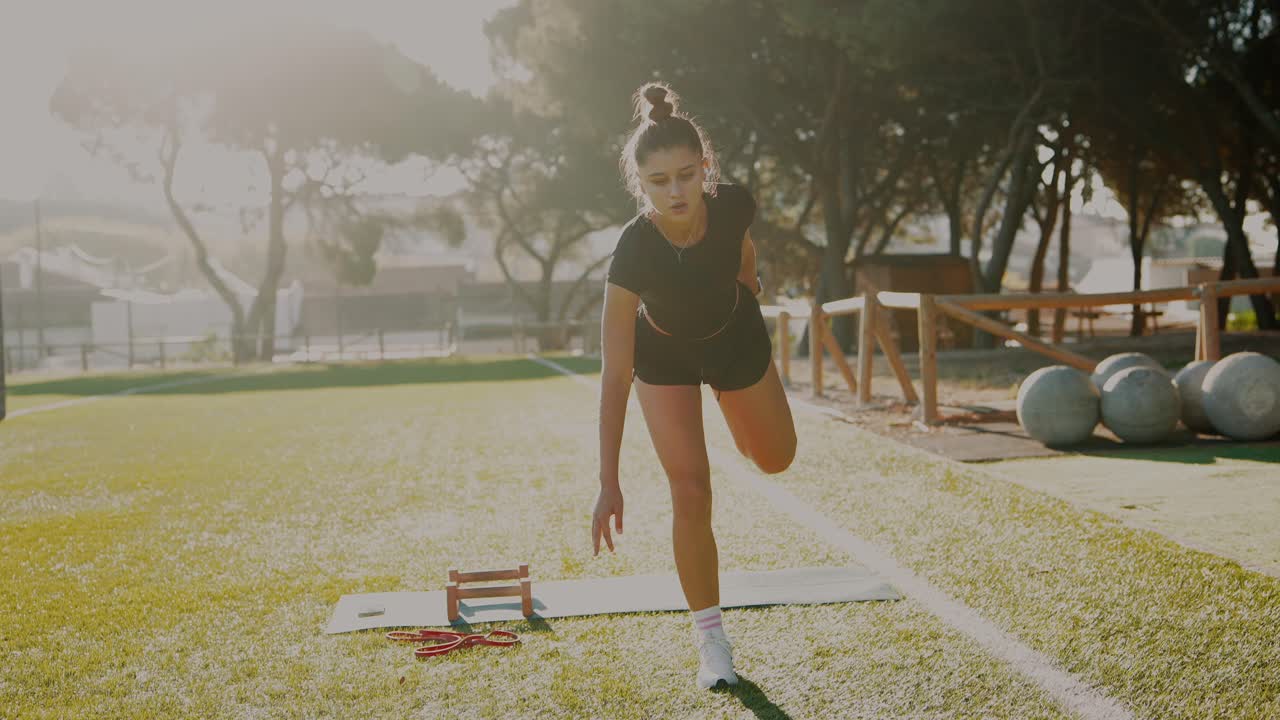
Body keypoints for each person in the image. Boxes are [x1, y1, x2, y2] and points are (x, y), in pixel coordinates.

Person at [591, 82, 797, 690]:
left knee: (776, 459)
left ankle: (738, 415)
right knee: (691, 489)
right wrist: (609, 482)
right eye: (659, 181)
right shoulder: (632, 252)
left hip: (734, 334)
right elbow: (614, 374)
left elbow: (744, 248)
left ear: (706, 167)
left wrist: (751, 286)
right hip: (665, 355)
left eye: (686, 174)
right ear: (640, 184)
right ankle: (713, 641)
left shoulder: (733, 204)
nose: (675, 191)